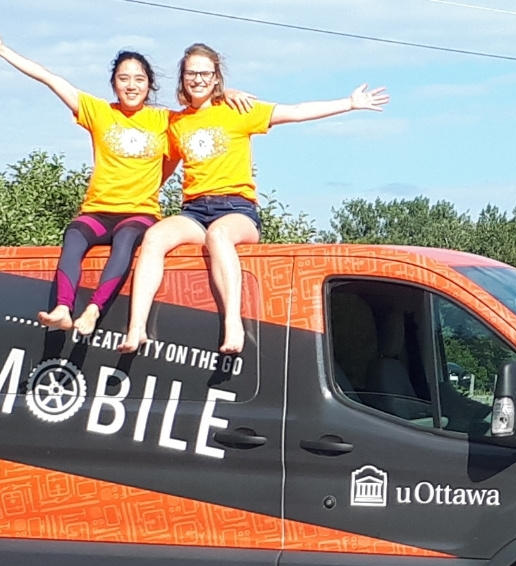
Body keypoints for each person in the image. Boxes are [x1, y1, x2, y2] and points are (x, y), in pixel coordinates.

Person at [0, 25, 251, 336]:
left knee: (127, 240)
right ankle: (63, 308)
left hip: (139, 213)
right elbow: (51, 80)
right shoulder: (100, 112)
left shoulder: (166, 120)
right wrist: (4, 51)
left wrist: (227, 94)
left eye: (139, 79)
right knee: (74, 235)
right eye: (124, 78)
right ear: (114, 84)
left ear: (149, 86)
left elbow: (203, 113)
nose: (131, 85)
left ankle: (93, 310)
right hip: (98, 211)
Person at [118, 43, 389, 355]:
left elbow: (296, 112)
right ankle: (136, 328)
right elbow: (156, 167)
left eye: (205, 73)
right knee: (154, 237)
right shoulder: (175, 122)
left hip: (236, 210)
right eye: (192, 73)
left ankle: (232, 324)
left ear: (216, 77)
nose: (198, 79)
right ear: (183, 78)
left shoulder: (238, 111)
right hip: (194, 211)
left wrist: (349, 103)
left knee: (219, 236)